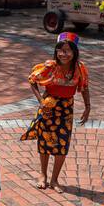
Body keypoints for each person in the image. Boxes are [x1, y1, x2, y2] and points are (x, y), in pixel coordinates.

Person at [22, 31, 90, 191]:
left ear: (74, 52)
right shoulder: (49, 66)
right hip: (49, 108)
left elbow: (85, 87)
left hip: (66, 109)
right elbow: (32, 80)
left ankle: (54, 180)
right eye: (60, 50)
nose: (63, 54)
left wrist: (88, 107)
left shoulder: (80, 69)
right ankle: (43, 175)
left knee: (62, 144)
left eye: (67, 50)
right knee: (45, 142)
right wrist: (41, 101)